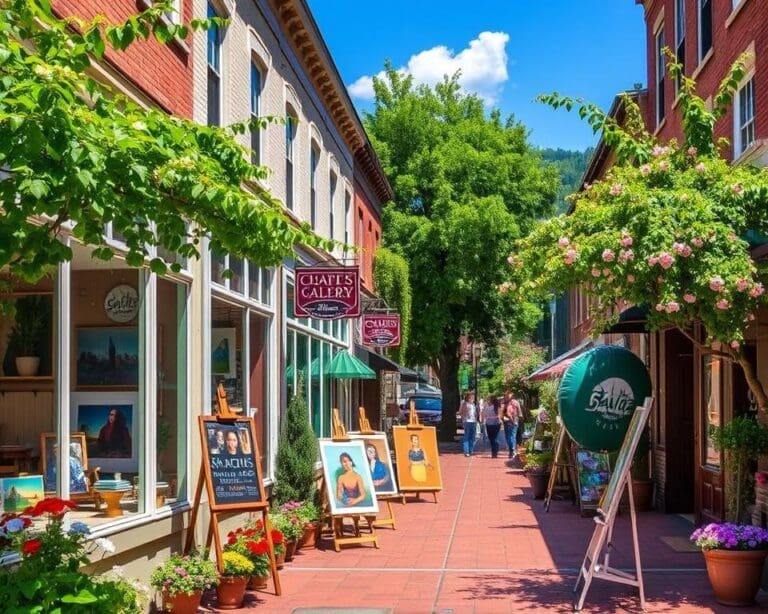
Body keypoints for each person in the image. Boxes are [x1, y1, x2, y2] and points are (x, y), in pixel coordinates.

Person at [502, 390, 522, 459]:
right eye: (506, 395)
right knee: (508, 437)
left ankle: (513, 451)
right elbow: (501, 412)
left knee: (512, 436)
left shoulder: (516, 402)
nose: (508, 396)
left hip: (514, 421)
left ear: (512, 395)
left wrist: (517, 418)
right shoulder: (504, 403)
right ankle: (511, 450)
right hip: (506, 422)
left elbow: (519, 413)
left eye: (509, 394)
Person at [459, 391, 478, 457]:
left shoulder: (473, 404)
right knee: (467, 436)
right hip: (467, 421)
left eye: (473, 396)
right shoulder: (464, 403)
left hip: (473, 421)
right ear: (468, 397)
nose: (473, 398)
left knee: (472, 437)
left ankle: (471, 450)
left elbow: (475, 413)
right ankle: (466, 451)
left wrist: (476, 419)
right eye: (471, 396)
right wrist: (463, 418)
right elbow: (460, 412)